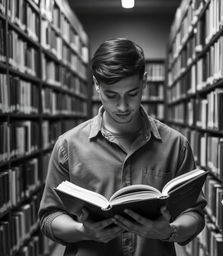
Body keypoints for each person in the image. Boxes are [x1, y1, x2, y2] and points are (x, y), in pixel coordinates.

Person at [39, 38, 206, 256]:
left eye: (132, 94)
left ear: (144, 81)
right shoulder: (68, 146)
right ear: (96, 85)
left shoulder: (176, 144)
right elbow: (49, 217)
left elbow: (195, 213)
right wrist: (83, 231)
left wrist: (170, 230)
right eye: (111, 95)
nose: (123, 106)